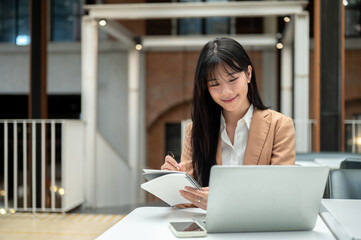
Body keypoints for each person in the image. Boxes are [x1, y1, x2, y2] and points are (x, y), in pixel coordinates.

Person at [161, 37, 295, 210]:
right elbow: (185, 201)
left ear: (248, 74)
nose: (226, 92)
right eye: (214, 84)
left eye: (232, 79)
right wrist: (172, 182)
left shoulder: (279, 126)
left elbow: (282, 192)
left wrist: (223, 200)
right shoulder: (195, 130)